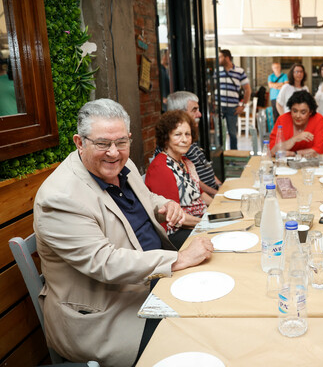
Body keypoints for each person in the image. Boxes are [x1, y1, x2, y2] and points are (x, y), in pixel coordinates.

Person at [33, 99, 214, 367]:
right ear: (80, 143)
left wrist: (164, 204)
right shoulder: (60, 197)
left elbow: (146, 196)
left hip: (150, 283)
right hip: (108, 314)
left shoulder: (122, 167)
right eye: (102, 143)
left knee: (215, 306)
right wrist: (178, 260)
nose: (114, 153)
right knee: (196, 338)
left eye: (121, 142)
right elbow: (105, 262)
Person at [146, 110, 213, 248]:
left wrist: (218, 208)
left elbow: (200, 194)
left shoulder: (186, 162)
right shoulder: (161, 167)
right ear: (166, 138)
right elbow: (173, 217)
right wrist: (206, 223)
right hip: (176, 232)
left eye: (187, 134)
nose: (185, 139)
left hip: (197, 222)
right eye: (177, 134)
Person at [160, 91, 222, 196]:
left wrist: (220, 185)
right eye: (194, 110)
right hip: (204, 198)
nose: (199, 114)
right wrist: (218, 194)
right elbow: (193, 182)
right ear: (179, 113)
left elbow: (205, 166)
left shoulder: (189, 139)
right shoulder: (178, 145)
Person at [269, 90, 323, 157]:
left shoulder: (318, 119)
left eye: (303, 112)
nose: (298, 116)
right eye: (295, 111)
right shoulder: (283, 119)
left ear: (310, 112)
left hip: (311, 165)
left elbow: (320, 151)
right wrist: (294, 139)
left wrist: (294, 154)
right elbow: (272, 151)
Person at [216, 48, 251, 150]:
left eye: (220, 57)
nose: (218, 59)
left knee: (232, 134)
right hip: (219, 107)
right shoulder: (217, 71)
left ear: (227, 58)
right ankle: (220, 156)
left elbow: (247, 90)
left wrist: (243, 106)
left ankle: (233, 155)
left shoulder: (239, 71)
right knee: (219, 133)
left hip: (233, 108)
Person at [159, 48, 171, 113]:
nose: (169, 57)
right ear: (163, 57)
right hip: (165, 105)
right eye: (167, 55)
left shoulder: (165, 70)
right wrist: (164, 99)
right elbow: (163, 86)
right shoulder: (161, 71)